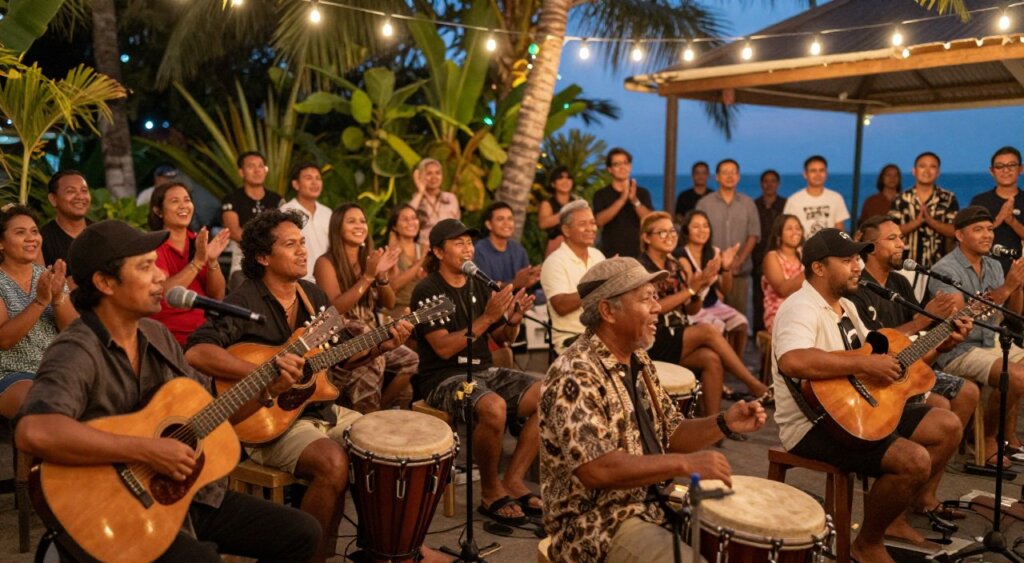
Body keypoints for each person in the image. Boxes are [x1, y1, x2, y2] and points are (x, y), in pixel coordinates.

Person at [15, 219, 321, 561]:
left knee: (302, 533)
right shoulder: (77, 349)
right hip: (117, 512)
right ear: (105, 282)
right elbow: (34, 431)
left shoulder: (156, 336)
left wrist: (267, 390)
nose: (161, 275)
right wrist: (147, 450)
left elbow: (213, 411)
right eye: (146, 267)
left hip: (183, 498)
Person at [185, 209, 415, 562]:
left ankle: (382, 550)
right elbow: (198, 352)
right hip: (266, 421)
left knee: (390, 446)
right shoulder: (242, 301)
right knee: (332, 461)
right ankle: (312, 556)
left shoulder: (313, 297)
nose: (302, 251)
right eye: (290, 244)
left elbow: (338, 358)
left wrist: (381, 345)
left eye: (303, 243)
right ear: (263, 257)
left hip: (318, 409)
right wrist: (262, 369)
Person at [539, 256, 766, 563]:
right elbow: (597, 469)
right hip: (597, 524)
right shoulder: (576, 374)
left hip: (652, 503)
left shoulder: (639, 360)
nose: (658, 307)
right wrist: (683, 465)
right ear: (607, 311)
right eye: (646, 299)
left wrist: (725, 422)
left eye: (655, 297)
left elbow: (671, 431)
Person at [772, 228, 966, 561]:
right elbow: (792, 360)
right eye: (847, 260)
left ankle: (894, 515)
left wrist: (941, 342)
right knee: (913, 460)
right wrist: (867, 363)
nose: (858, 266)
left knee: (947, 425)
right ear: (819, 268)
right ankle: (868, 542)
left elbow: (891, 365)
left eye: (858, 258)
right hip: (815, 424)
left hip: (860, 405)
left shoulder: (845, 306)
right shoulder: (801, 308)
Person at [849, 215, 980, 521]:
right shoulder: (858, 287)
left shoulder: (899, 282)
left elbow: (918, 342)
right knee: (941, 405)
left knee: (967, 392)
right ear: (870, 246)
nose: (902, 244)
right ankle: (901, 488)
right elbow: (877, 346)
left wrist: (946, 339)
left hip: (910, 367)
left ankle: (925, 493)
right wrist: (923, 321)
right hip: (877, 380)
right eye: (893, 238)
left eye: (901, 237)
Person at [412, 219, 542, 525]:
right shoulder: (427, 290)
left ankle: (513, 479)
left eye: (469, 243)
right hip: (443, 378)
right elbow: (443, 348)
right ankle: (490, 491)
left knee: (549, 394)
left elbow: (501, 340)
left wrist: (513, 319)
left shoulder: (479, 284)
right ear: (438, 252)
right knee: (493, 407)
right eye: (459, 243)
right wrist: (487, 316)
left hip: (484, 369)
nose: (468, 249)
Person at [639, 212, 770, 417]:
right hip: (653, 337)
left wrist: (701, 286)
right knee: (708, 330)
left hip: (677, 332)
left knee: (711, 359)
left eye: (672, 231)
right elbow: (654, 307)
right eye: (661, 232)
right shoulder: (642, 269)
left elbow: (692, 310)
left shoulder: (674, 266)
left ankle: (713, 424)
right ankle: (754, 385)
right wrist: (691, 289)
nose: (669, 236)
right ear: (646, 238)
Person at [928, 206, 1024, 465]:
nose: (988, 236)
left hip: (991, 341)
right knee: (1015, 376)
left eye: (990, 230)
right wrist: (1007, 288)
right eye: (978, 230)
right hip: (958, 348)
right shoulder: (945, 269)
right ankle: (986, 437)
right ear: (959, 235)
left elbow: (1013, 315)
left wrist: (1018, 286)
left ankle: (992, 432)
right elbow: (959, 318)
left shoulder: (993, 265)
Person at [313, 203, 417, 412]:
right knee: (375, 359)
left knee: (410, 360)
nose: (360, 225)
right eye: (351, 221)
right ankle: (363, 421)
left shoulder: (368, 259)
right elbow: (334, 308)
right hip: (341, 339)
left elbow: (388, 302)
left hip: (373, 334)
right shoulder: (325, 263)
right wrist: (368, 276)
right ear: (337, 228)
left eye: (362, 221)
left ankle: (378, 414)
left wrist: (382, 276)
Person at [0, 205, 77, 419]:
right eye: (20, 232)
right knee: (43, 403)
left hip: (55, 370)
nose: (31, 238)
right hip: (11, 374)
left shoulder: (48, 276)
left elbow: (72, 330)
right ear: (1, 243)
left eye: (34, 231)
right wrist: (41, 301)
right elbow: (4, 340)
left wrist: (58, 298)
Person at [148, 182, 231, 345]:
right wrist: (198, 262)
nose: (183, 206)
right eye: (174, 201)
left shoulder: (198, 242)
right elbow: (164, 295)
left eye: (187, 200)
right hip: (168, 335)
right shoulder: (152, 246)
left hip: (205, 331)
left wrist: (212, 261)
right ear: (158, 211)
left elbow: (218, 296)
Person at [677, 210, 747, 358]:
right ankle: (719, 368)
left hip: (713, 304)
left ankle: (735, 366)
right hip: (693, 308)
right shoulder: (681, 255)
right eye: (696, 226)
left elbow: (725, 289)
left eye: (705, 226)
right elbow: (690, 291)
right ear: (686, 231)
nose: (702, 230)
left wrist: (726, 268)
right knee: (718, 326)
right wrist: (704, 279)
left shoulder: (714, 252)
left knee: (741, 323)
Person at [696, 158, 761, 319]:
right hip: (712, 272)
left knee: (739, 320)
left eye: (733, 172)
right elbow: (697, 236)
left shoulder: (748, 203)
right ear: (717, 177)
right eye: (725, 172)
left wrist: (739, 261)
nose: (729, 176)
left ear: (738, 176)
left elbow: (753, 235)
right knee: (712, 320)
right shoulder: (704, 203)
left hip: (740, 271)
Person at [889, 152, 959, 300]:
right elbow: (892, 231)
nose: (927, 171)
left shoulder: (948, 198)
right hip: (906, 267)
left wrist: (931, 222)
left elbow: (955, 231)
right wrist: (917, 222)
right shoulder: (901, 198)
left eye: (932, 167)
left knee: (937, 311)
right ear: (914, 170)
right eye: (922, 166)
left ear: (938, 172)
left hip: (939, 268)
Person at [541, 200, 606, 352]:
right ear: (566, 230)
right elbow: (561, 306)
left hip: (602, 336)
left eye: (592, 223)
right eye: (583, 223)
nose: (591, 228)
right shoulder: (554, 262)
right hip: (571, 340)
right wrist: (598, 287)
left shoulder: (598, 256)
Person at [220, 151, 282, 287]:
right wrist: (264, 245)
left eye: (261, 166)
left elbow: (284, 230)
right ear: (241, 172)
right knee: (242, 287)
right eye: (251, 166)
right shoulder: (232, 199)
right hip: (242, 262)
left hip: (274, 262)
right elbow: (234, 231)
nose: (257, 170)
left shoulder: (277, 200)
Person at [970, 146, 1024, 274]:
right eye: (999, 166)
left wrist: (1011, 221)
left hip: (1020, 271)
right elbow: (967, 237)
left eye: (1011, 165)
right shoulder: (979, 202)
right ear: (991, 171)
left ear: (1021, 169)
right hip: (985, 271)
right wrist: (997, 221)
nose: (1006, 170)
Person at [593, 148, 652, 258]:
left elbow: (650, 221)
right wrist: (622, 199)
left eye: (625, 163)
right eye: (616, 164)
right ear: (610, 169)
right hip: (611, 253)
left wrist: (634, 200)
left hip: (639, 253)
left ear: (630, 166)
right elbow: (598, 221)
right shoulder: (601, 194)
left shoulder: (642, 193)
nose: (622, 167)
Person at [280, 162, 332, 281]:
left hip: (328, 279)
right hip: (299, 280)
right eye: (308, 178)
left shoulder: (328, 213)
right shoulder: (285, 212)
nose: (315, 183)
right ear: (296, 184)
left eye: (318, 178)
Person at [475, 202, 541, 291]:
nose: (507, 223)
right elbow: (484, 289)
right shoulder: (479, 250)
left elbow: (524, 285)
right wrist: (514, 283)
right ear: (489, 225)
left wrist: (531, 279)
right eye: (500, 219)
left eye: (510, 219)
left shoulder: (519, 250)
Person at [40, 169, 91, 282]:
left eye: (84, 190)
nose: (80, 196)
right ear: (53, 199)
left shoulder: (102, 232)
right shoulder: (41, 240)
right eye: (70, 191)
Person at [753, 169, 787, 332]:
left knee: (779, 296)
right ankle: (759, 331)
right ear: (761, 184)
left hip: (781, 258)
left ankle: (778, 327)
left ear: (778, 184)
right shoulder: (755, 205)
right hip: (757, 258)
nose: (769, 184)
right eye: (766, 181)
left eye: (773, 181)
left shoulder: (785, 205)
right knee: (758, 298)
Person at [783, 155, 850, 237]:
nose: (818, 174)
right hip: (803, 249)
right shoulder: (793, 200)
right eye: (813, 171)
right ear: (805, 174)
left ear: (826, 173)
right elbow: (787, 229)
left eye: (821, 170)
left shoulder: (836, 198)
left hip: (829, 249)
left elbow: (840, 228)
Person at [761, 214, 804, 331]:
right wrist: (810, 269)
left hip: (803, 310)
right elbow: (782, 289)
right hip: (779, 313)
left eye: (798, 228)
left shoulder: (802, 255)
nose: (795, 232)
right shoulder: (772, 257)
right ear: (779, 234)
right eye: (789, 228)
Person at [385, 204, 428, 321]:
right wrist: (420, 262)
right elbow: (393, 285)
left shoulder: (424, 248)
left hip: (424, 309)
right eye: (405, 219)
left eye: (414, 218)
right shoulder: (391, 252)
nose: (411, 222)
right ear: (394, 226)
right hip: (398, 313)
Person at [410, 158, 461, 243]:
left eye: (437, 173)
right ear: (420, 176)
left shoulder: (450, 198)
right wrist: (421, 192)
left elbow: (457, 226)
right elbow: (408, 215)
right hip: (425, 249)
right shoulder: (417, 199)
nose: (434, 177)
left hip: (448, 248)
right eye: (429, 173)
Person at [537, 166, 578, 257]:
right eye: (560, 178)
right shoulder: (547, 204)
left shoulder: (576, 202)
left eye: (568, 178)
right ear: (553, 183)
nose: (565, 181)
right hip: (556, 247)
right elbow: (543, 224)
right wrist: (567, 211)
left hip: (577, 247)